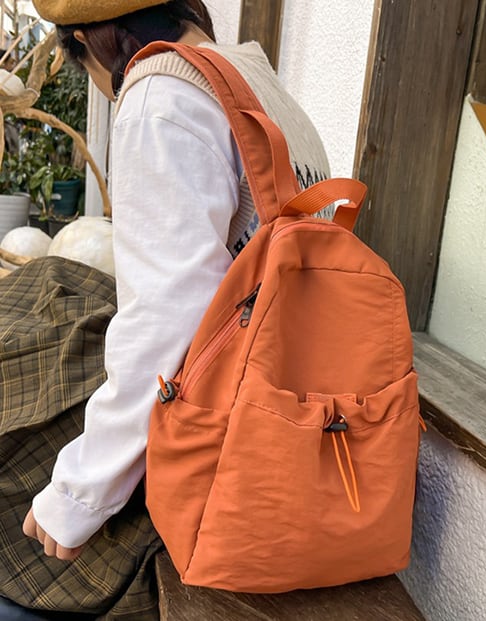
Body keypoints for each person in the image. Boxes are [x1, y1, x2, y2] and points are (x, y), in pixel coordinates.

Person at [0, 0, 330, 617]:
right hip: (288, 399)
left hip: (226, 434)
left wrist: (77, 495)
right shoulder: (252, 77)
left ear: (92, 40)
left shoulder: (160, 97)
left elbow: (167, 320)